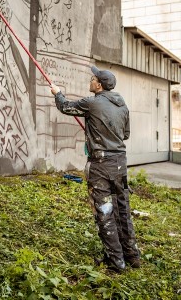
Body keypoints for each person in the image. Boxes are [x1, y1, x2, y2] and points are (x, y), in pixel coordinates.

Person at [50, 66, 140, 272]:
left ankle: (116, 263)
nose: (90, 81)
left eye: (92, 79)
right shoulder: (122, 105)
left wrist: (57, 93)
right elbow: (124, 135)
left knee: (105, 211)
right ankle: (132, 256)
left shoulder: (92, 103)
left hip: (101, 165)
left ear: (99, 85)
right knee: (122, 209)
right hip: (120, 164)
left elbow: (65, 107)